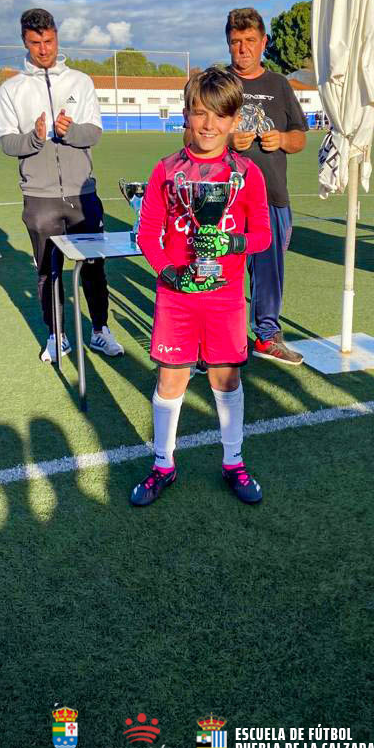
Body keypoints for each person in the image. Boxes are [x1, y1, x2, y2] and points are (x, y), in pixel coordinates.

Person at [131, 67, 271, 507]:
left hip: (225, 299)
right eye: (199, 112)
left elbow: (263, 235)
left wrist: (233, 243)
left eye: (220, 115)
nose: (209, 124)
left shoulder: (247, 173)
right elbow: (147, 233)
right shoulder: (166, 170)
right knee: (170, 380)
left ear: (235, 120)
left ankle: (233, 462)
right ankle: (163, 465)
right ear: (186, 115)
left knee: (226, 380)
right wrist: (169, 272)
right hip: (176, 299)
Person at [0, 8, 124, 363]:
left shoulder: (80, 82)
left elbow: (93, 132)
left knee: (94, 266)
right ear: (25, 41)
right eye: (35, 42)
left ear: (57, 38)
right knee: (47, 270)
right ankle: (57, 335)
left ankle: (100, 330)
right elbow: (6, 142)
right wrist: (34, 138)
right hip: (40, 198)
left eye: (49, 41)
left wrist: (71, 132)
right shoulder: (12, 88)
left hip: (83, 195)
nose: (43, 49)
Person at [224, 7, 308, 365]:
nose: (242, 49)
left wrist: (283, 140)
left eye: (250, 41)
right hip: (224, 199)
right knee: (220, 270)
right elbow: (190, 135)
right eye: (235, 42)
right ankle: (219, 339)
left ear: (264, 42)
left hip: (270, 196)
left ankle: (267, 336)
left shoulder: (279, 85)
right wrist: (228, 140)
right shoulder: (217, 82)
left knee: (269, 272)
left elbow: (300, 137)